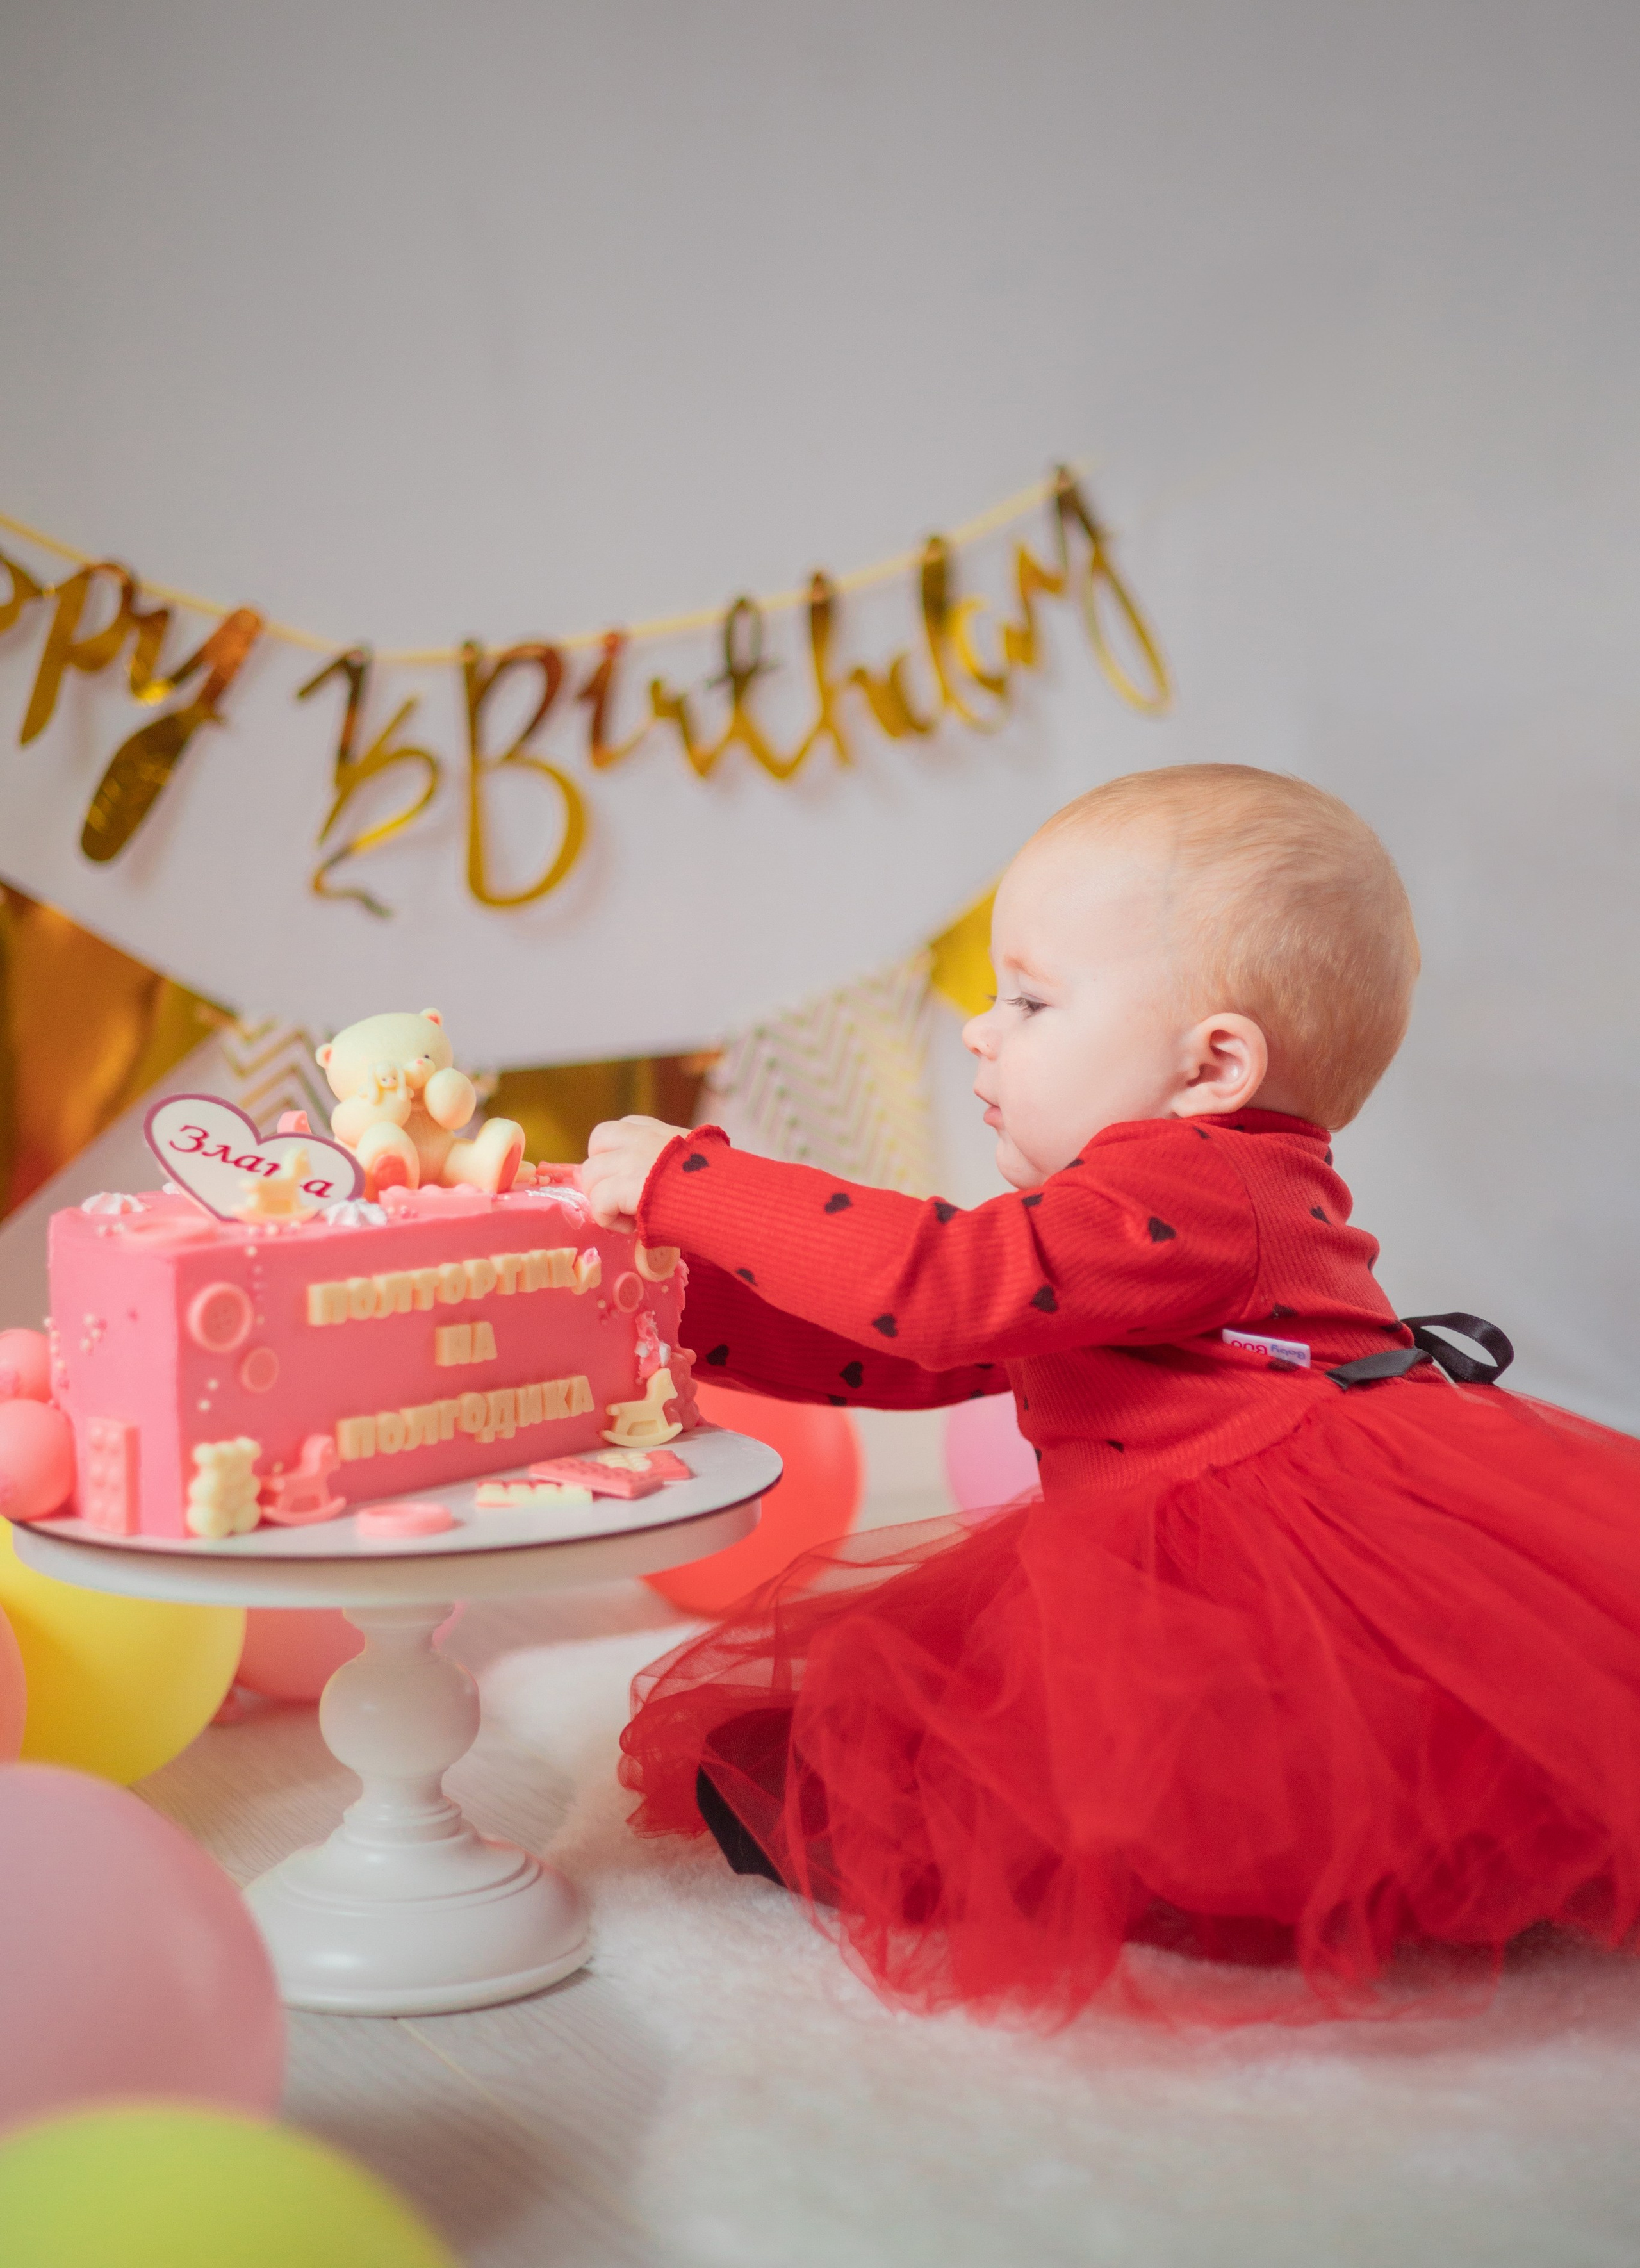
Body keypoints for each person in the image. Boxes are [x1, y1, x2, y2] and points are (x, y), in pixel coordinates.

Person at [580, 764, 1640, 2021]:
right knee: (906, 1741)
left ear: (1212, 1067)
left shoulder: (1201, 1183)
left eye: (1028, 999)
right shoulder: (1138, 1204)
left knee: (1205, 1789)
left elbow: (936, 1288)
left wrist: (689, 1182)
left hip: (1261, 1559)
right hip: (1171, 1544)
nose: (977, 1028)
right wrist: (679, 1319)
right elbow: (932, 1350)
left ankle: (1229, 1879)